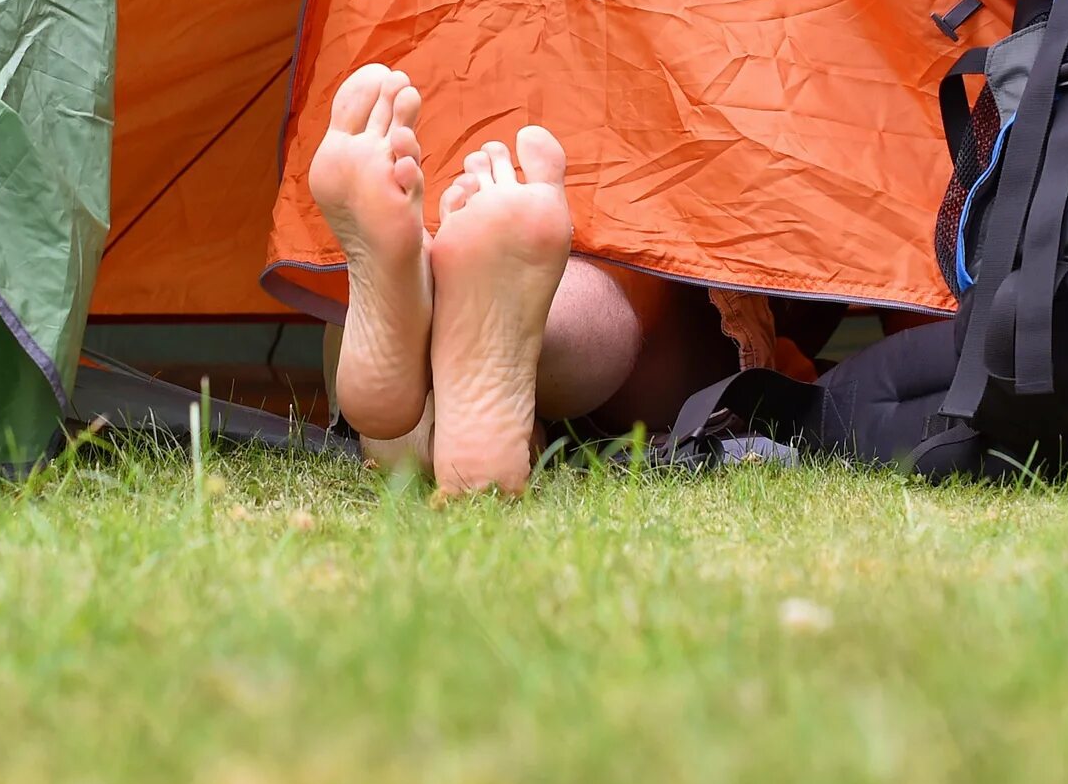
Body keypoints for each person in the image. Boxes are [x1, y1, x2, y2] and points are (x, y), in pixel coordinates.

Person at [306, 62, 747, 495]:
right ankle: (470, 359)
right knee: (626, 288)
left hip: (394, 343)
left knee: (414, 380)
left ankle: (424, 328)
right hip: (623, 311)